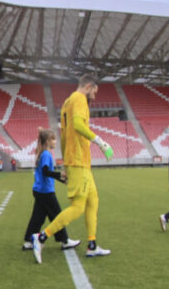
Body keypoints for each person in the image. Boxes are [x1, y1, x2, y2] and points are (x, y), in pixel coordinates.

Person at [30, 74, 114, 263]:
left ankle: (92, 245)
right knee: (78, 207)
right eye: (95, 91)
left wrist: (65, 163)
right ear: (89, 86)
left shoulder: (68, 102)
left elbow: (64, 136)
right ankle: (41, 237)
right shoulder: (79, 98)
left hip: (76, 161)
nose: (95, 96)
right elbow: (77, 124)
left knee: (93, 200)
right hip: (79, 161)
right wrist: (101, 142)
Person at [22, 129, 79, 251]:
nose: (55, 141)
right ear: (47, 141)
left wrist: (61, 180)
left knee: (38, 217)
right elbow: (45, 172)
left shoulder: (43, 153)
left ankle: (28, 241)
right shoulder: (47, 154)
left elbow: (46, 173)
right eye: (53, 139)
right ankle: (65, 241)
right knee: (57, 216)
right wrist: (60, 175)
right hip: (45, 192)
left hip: (39, 190)